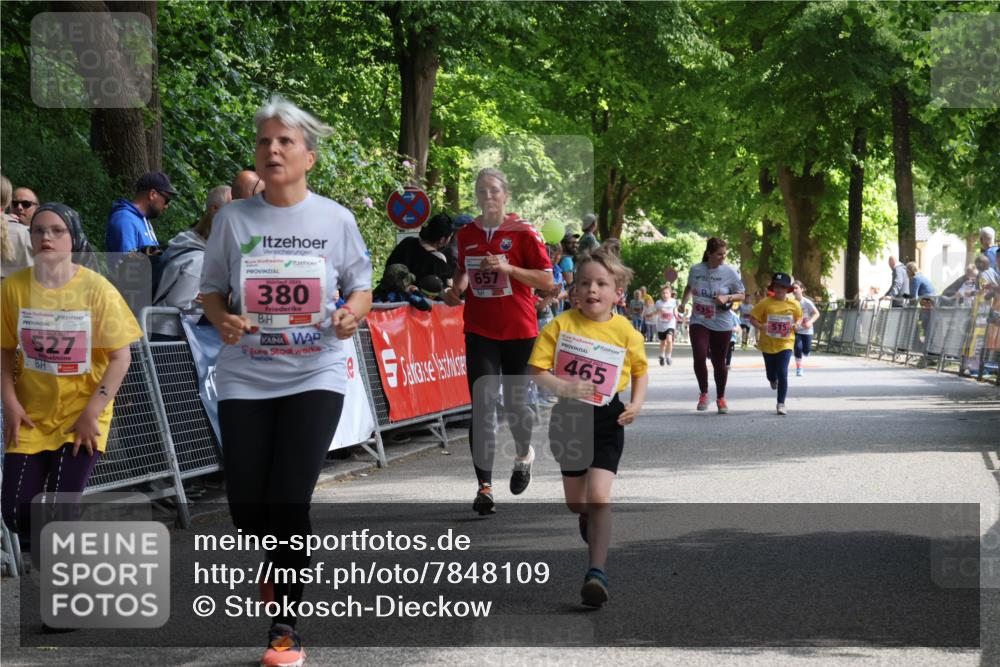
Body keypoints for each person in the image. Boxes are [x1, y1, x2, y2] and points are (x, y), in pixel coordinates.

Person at [200, 95, 373, 667]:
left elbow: (361, 286)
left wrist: (352, 313)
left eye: (284, 142)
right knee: (250, 509)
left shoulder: (335, 219)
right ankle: (276, 568)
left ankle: (285, 626)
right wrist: (223, 319)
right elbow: (212, 291)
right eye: (264, 142)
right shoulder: (232, 219)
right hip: (246, 376)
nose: (271, 150)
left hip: (315, 371)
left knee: (290, 498)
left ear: (308, 157)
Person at [2, 203, 141, 552]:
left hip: (81, 414)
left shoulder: (98, 290)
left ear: (73, 238)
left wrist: (92, 413)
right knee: (16, 513)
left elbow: (121, 356)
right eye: (38, 230)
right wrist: (10, 403)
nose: (46, 237)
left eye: (56, 231)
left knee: (60, 510)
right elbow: (3, 351)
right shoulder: (13, 289)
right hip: (31, 416)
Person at [527, 247, 648, 607]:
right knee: (576, 503)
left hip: (609, 417)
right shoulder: (561, 325)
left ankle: (597, 571)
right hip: (569, 418)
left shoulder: (627, 331)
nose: (592, 290)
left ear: (617, 292)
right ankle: (585, 520)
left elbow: (640, 371)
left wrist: (636, 404)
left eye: (601, 284)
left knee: (599, 496)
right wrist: (562, 386)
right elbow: (537, 369)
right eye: (584, 283)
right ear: (574, 290)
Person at [442, 168, 553, 515]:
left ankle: (524, 454)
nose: (487, 197)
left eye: (493, 191)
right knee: (483, 406)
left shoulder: (523, 232)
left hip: (520, 330)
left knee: (518, 409)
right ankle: (484, 487)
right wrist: (454, 290)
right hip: (479, 330)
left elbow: (547, 279)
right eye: (481, 191)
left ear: (505, 195)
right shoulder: (466, 234)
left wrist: (509, 269)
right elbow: (463, 270)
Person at [149, 185, 232, 340]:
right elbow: (178, 301)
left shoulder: (184, 241)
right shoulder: (200, 258)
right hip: (166, 332)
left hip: (153, 325)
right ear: (214, 209)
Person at [679, 237, 746, 414]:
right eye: (719, 254)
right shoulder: (696, 270)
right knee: (699, 355)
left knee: (719, 362)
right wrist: (683, 302)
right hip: (699, 320)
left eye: (725, 254)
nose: (723, 257)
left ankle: (721, 398)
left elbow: (742, 295)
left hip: (721, 322)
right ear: (709, 253)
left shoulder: (730, 272)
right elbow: (688, 287)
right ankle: (704, 393)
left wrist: (727, 298)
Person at [749, 273, 802, 416]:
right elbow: (752, 318)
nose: (780, 289)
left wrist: (796, 324)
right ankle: (772, 379)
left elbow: (799, 318)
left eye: (783, 287)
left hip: (786, 343)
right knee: (771, 374)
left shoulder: (794, 304)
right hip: (768, 343)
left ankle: (781, 403)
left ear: (787, 289)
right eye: (777, 286)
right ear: (773, 287)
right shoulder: (765, 303)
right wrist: (761, 326)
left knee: (783, 373)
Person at [106, 171, 177, 254]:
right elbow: (128, 264)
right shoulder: (126, 220)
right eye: (166, 200)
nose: (166, 206)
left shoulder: (143, 221)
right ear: (152, 194)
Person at [382, 212, 454, 287]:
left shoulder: (407, 242)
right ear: (442, 239)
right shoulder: (438, 260)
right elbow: (438, 289)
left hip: (388, 294)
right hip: (417, 298)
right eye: (450, 236)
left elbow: (389, 266)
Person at [1, 175, 33, 279]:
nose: (19, 208)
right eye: (15, 203)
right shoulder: (25, 235)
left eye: (26, 204)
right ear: (8, 202)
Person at [791, 280, 820, 376]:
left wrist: (810, 322)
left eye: (796, 288)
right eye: (793, 288)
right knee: (797, 348)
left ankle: (807, 352)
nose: (794, 290)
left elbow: (816, 313)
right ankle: (799, 368)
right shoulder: (791, 303)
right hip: (797, 330)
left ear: (802, 289)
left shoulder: (807, 302)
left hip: (807, 330)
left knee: (806, 350)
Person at [654, 285, 677, 366]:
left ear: (670, 294)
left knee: (669, 340)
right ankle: (661, 356)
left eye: (667, 293)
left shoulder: (673, 301)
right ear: (661, 294)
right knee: (663, 342)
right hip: (661, 324)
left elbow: (675, 311)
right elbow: (656, 312)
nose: (665, 295)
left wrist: (677, 317)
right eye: (663, 293)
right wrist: (658, 312)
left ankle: (668, 356)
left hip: (670, 323)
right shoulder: (658, 303)